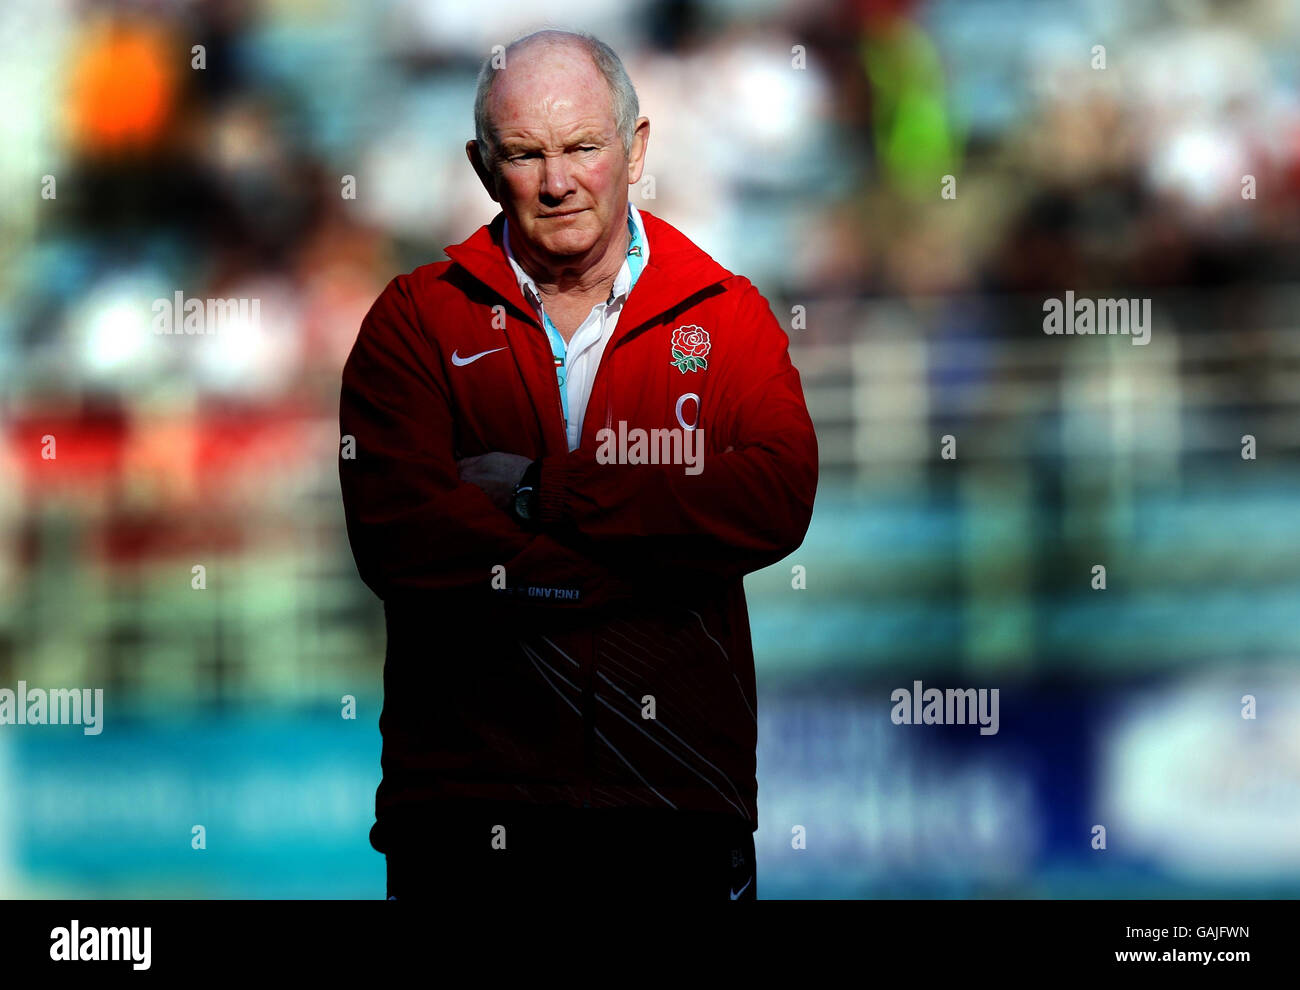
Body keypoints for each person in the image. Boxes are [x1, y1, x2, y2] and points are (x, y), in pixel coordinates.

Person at [339, 28, 818, 903]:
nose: (557, 181)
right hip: (466, 812)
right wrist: (650, 567)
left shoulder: (729, 316)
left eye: (582, 147)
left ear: (635, 150)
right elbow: (401, 539)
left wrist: (540, 492)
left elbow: (776, 498)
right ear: (484, 168)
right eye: (525, 154)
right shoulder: (415, 323)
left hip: (675, 809)